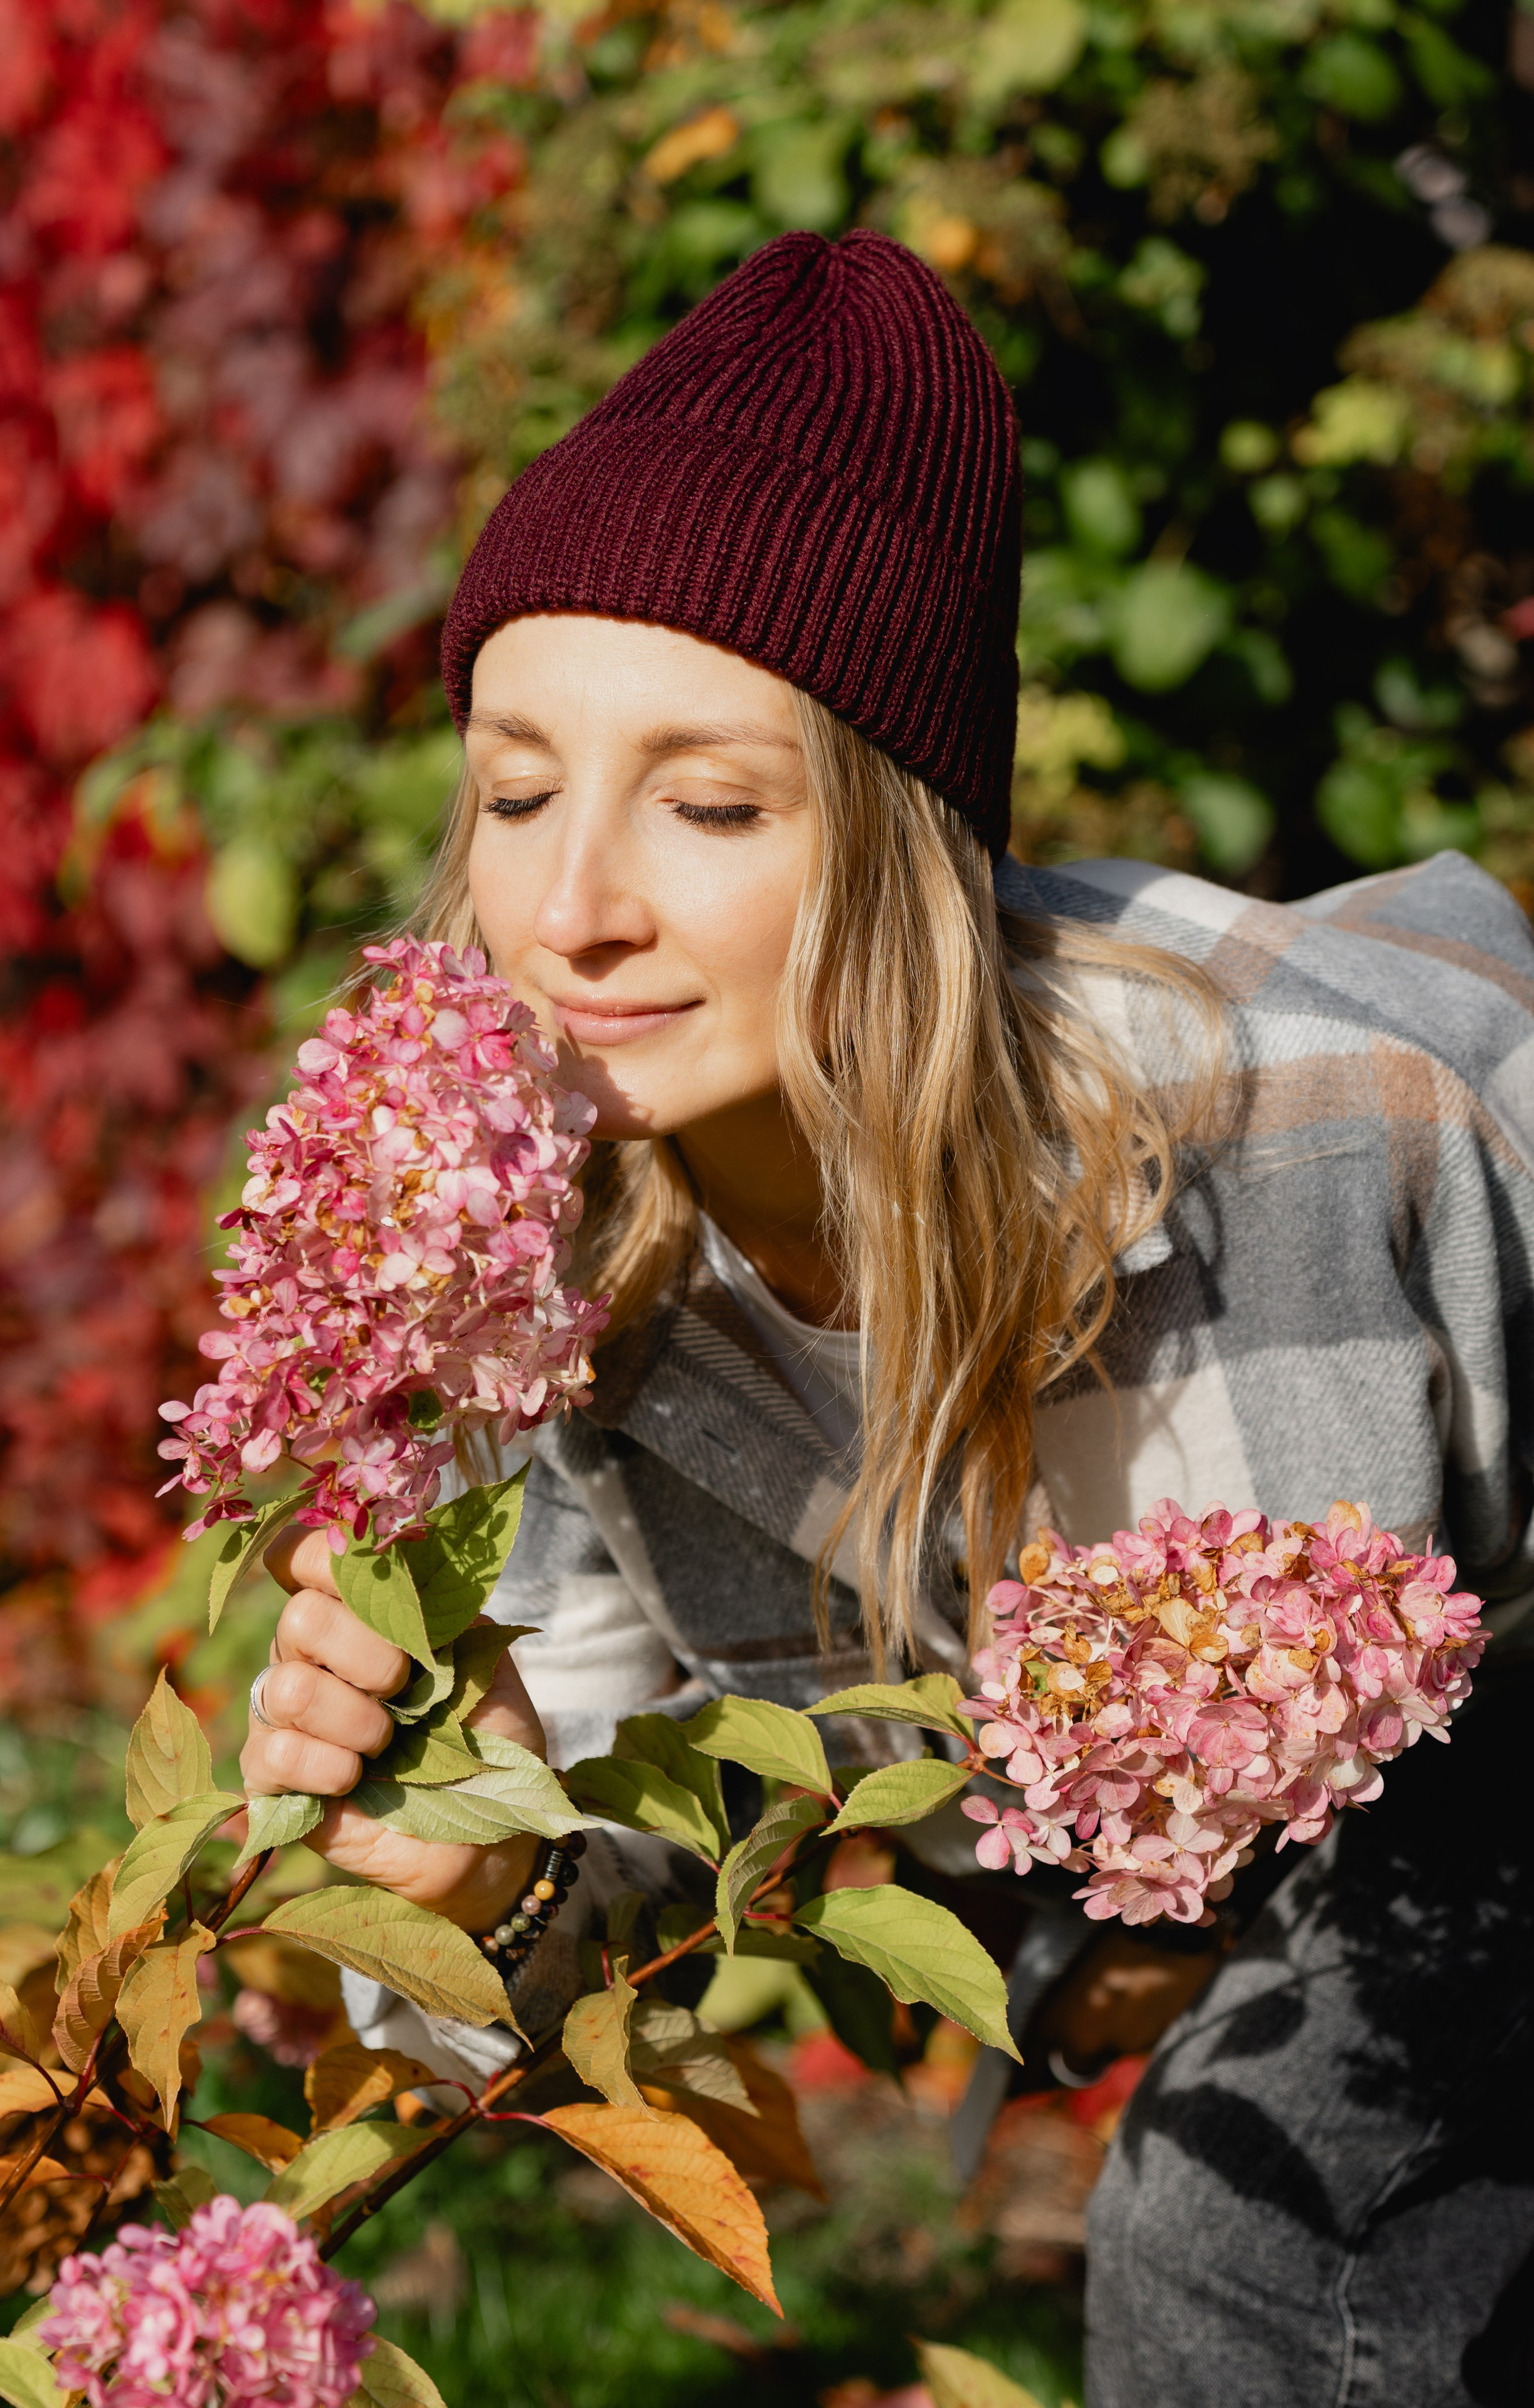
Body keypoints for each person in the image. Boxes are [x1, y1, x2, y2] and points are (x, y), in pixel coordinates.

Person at [238, 231, 1534, 2406]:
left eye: (712, 801)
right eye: (519, 785)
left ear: (905, 841)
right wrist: (448, 1858)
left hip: (1470, 1667)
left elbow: (1332, 1779)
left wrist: (1118, 1942)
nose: (573, 910)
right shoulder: (557, 1242)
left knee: (1247, 2234)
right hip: (1272, 1814)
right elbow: (643, 1839)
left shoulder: (1281, 1153)